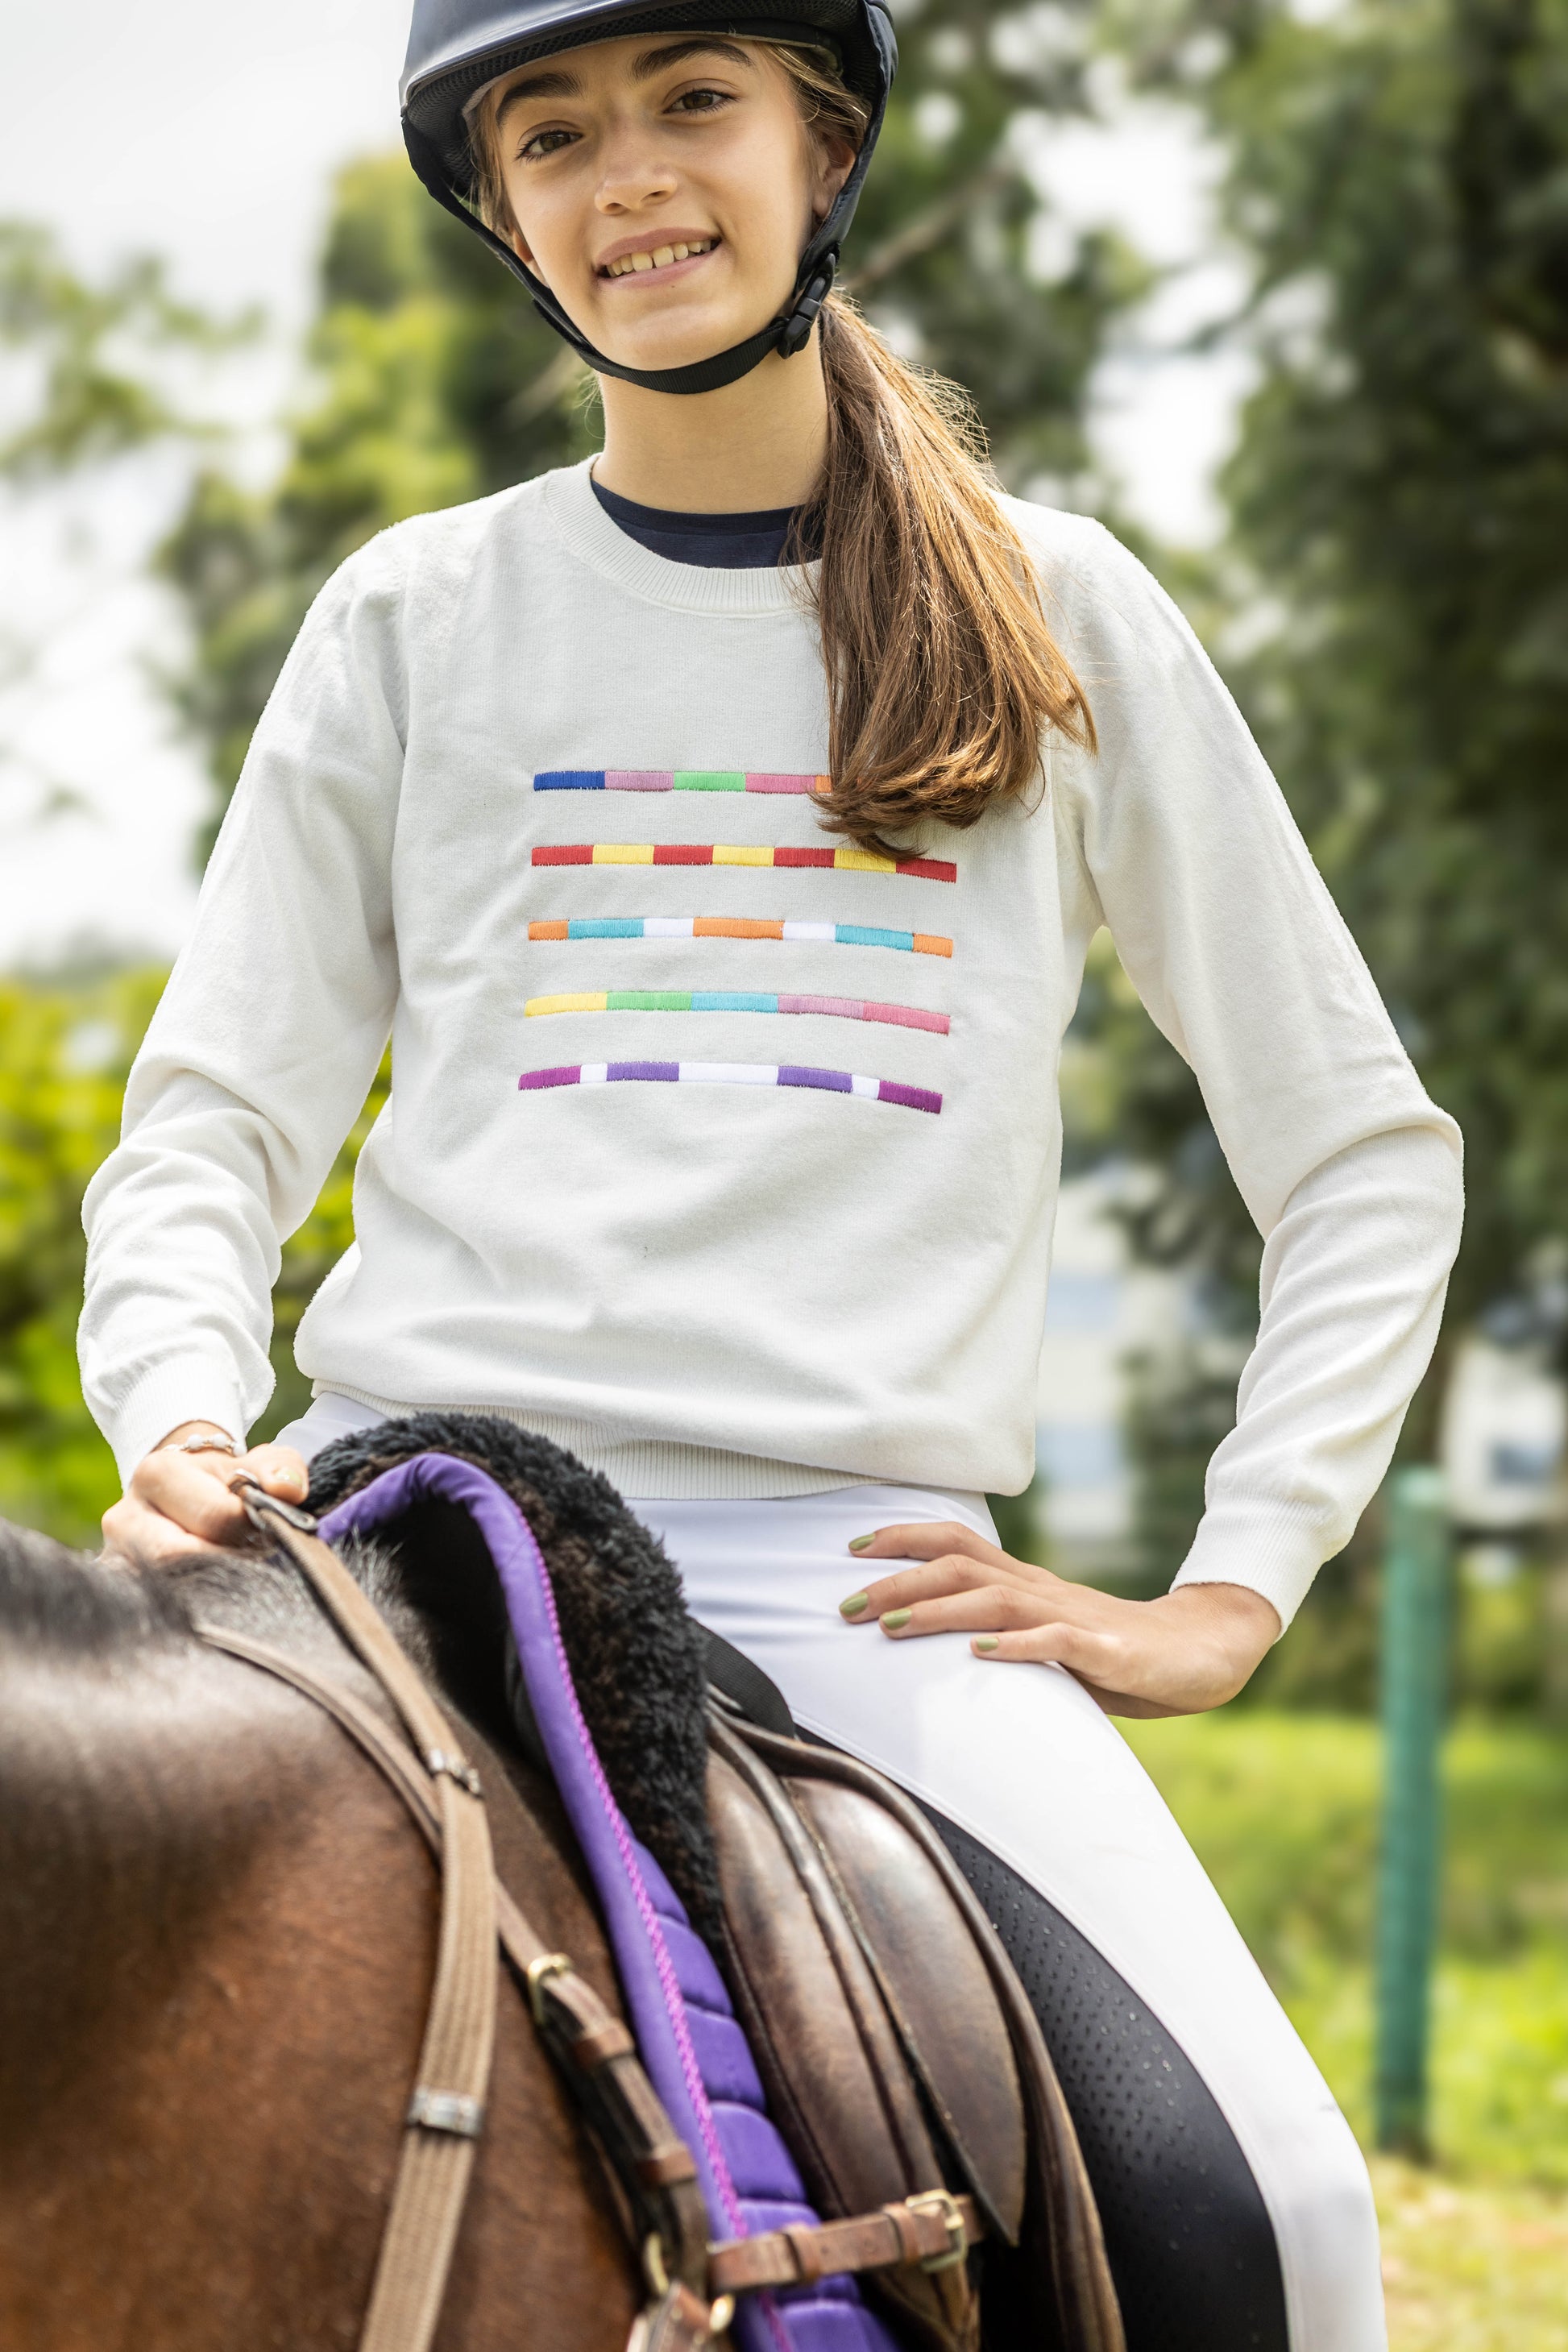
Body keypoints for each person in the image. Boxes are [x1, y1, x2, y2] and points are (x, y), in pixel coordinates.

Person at [79, 2, 1462, 2344]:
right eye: (552, 133)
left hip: (857, 1589)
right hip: (411, 1522)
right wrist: (181, 1415)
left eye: (692, 100)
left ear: (821, 146)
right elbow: (213, 1115)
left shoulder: (1062, 612)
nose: (627, 174)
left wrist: (1230, 1589)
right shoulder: (415, 615)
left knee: (1289, 2218)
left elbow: (1358, 1152)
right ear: (503, 216)